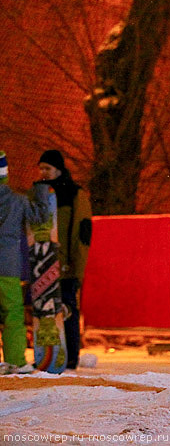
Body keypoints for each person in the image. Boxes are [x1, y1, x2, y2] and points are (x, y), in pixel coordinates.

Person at [38, 150, 92, 369]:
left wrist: (75, 266)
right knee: (45, 311)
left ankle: (70, 355)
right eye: (41, 168)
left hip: (65, 264)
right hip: (42, 263)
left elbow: (81, 233)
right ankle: (48, 355)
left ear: (58, 170)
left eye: (47, 168)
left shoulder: (74, 194)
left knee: (67, 310)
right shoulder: (38, 193)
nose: (43, 172)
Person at [0, 151, 50, 373]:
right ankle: (15, 360)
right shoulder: (17, 201)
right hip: (7, 265)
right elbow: (40, 216)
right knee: (12, 312)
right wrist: (40, 188)